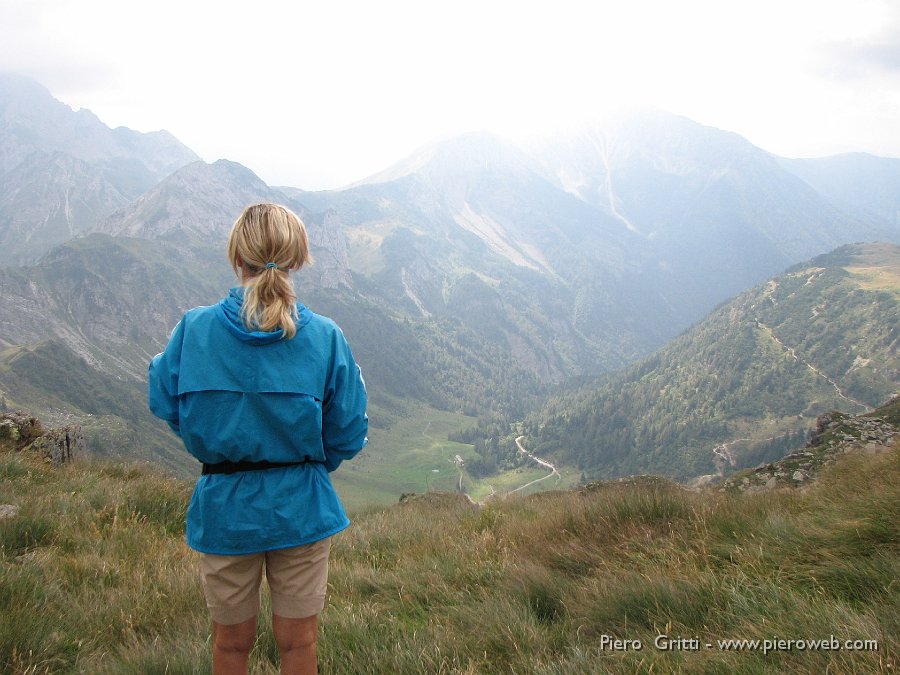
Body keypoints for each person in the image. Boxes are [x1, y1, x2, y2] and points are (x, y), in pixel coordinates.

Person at [148, 202, 368, 674]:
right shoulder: (326, 337)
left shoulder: (194, 329)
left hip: (225, 508)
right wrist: (307, 464)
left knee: (230, 646)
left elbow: (165, 399)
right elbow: (349, 429)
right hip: (302, 508)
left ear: (236, 256)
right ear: (296, 259)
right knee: (299, 645)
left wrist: (210, 441)